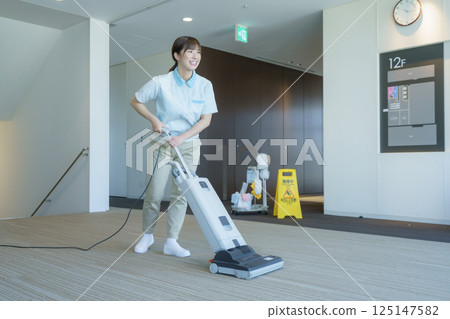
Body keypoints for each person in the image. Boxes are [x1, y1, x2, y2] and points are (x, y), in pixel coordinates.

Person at [130, 36, 217, 257]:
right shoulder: (161, 82)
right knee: (155, 192)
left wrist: (183, 137)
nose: (195, 56)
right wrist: (153, 119)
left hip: (188, 145)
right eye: (190, 52)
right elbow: (136, 100)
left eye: (198, 52)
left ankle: (171, 241)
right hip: (163, 144)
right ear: (177, 55)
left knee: (181, 195)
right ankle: (147, 236)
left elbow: (205, 120)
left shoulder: (205, 85)